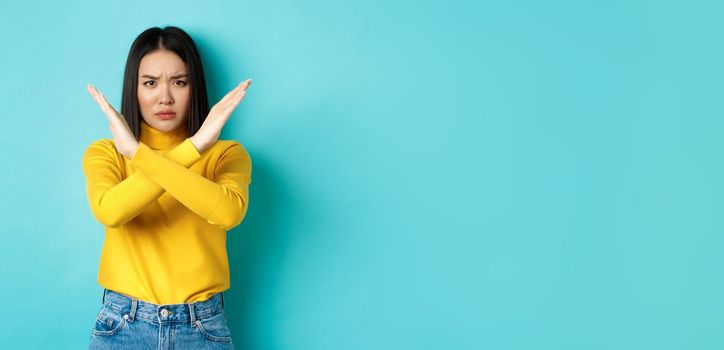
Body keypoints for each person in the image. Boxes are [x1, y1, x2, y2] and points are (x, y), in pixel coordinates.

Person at [82, 26, 252, 349]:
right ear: (134, 88)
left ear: (194, 87)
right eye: (150, 83)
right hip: (123, 325)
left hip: (202, 328)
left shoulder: (226, 155)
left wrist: (151, 154)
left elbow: (228, 213)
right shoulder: (106, 153)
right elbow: (110, 210)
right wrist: (192, 147)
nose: (165, 97)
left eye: (179, 82)